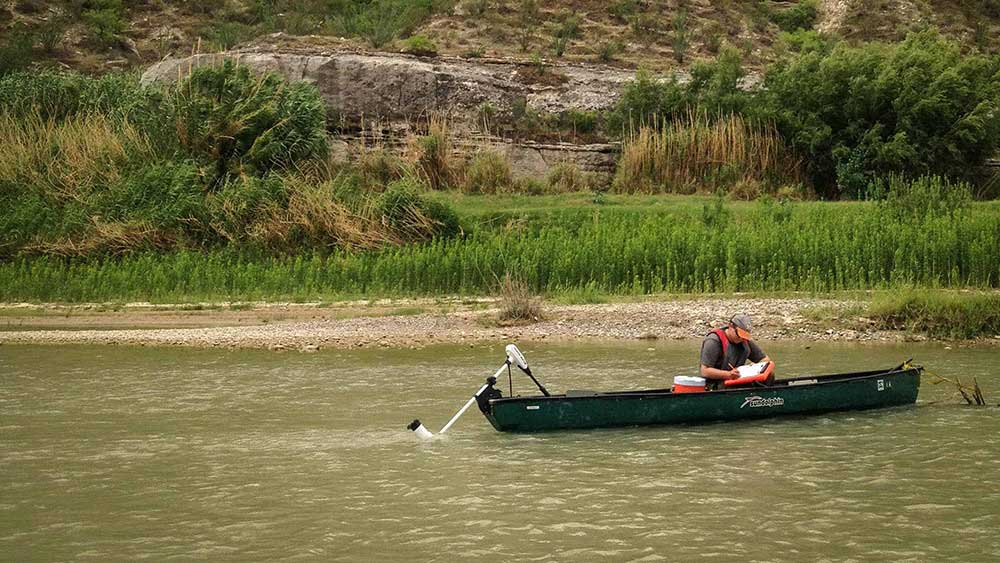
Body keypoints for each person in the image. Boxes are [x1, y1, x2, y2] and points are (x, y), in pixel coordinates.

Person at [699, 313, 771, 389]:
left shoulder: (744, 340)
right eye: (739, 335)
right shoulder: (713, 341)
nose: (742, 339)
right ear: (731, 326)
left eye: (744, 336)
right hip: (716, 385)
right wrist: (728, 374)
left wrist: (754, 367)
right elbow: (705, 371)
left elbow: (765, 360)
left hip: (737, 381)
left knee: (770, 376)